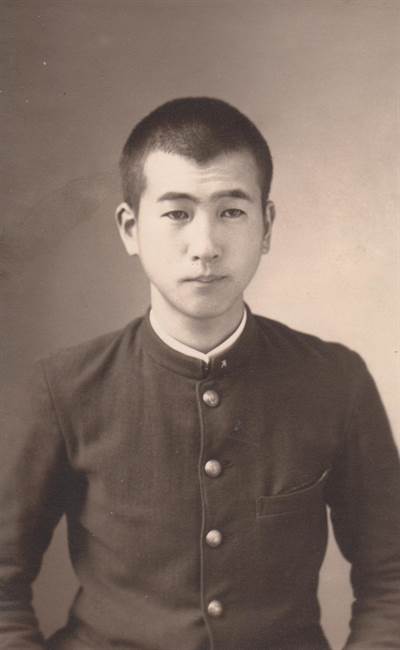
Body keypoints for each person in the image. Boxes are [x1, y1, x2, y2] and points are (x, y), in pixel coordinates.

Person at [0, 97, 399, 650]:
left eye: (231, 211)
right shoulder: (63, 388)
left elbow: (392, 578)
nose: (205, 247)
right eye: (177, 213)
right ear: (130, 229)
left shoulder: (335, 380)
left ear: (266, 226)